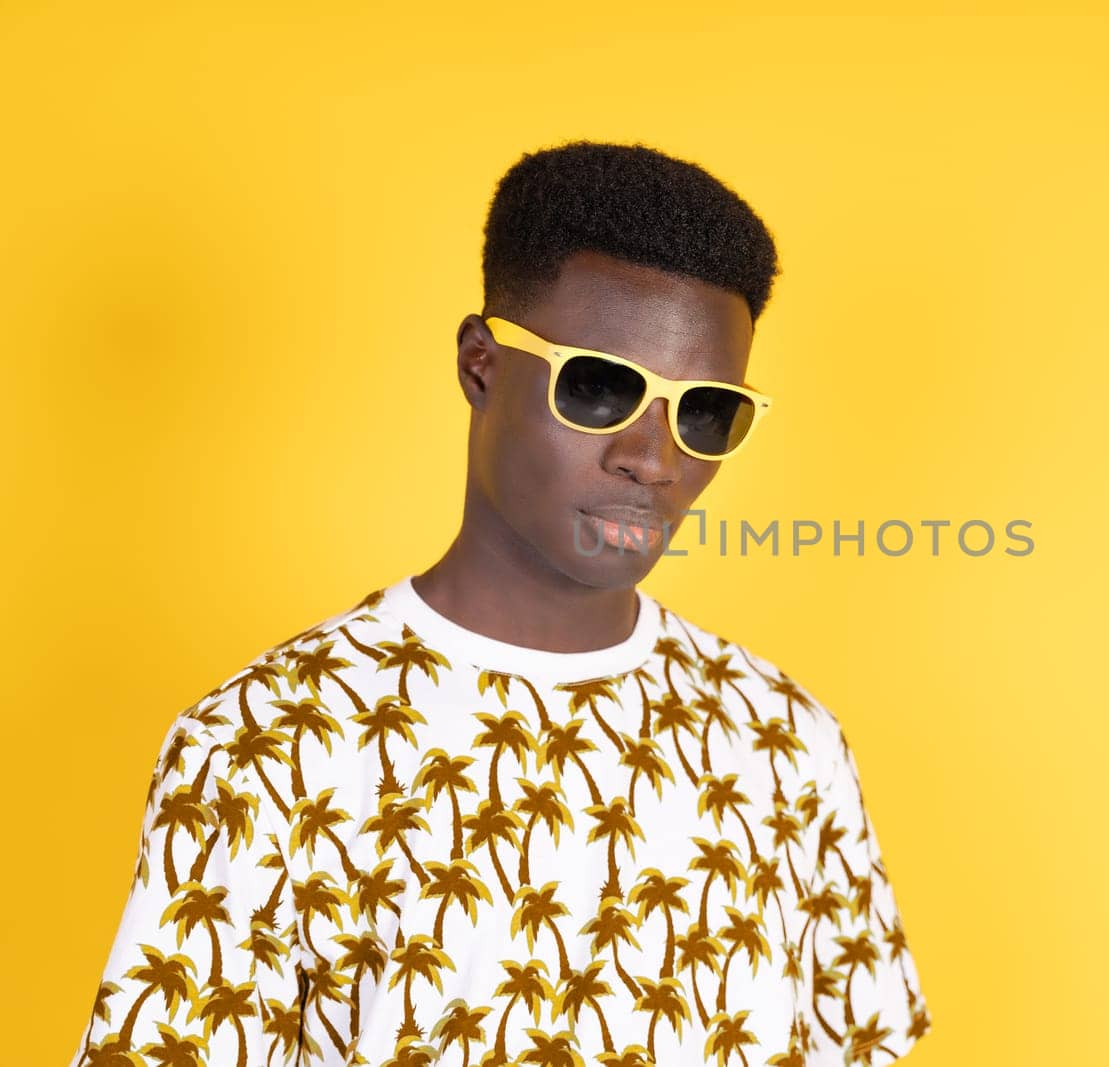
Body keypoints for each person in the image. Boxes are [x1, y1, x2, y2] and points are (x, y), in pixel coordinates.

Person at [68, 140, 932, 1067]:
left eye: (706, 410)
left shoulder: (788, 742)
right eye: (600, 388)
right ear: (481, 364)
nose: (656, 456)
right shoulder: (266, 745)